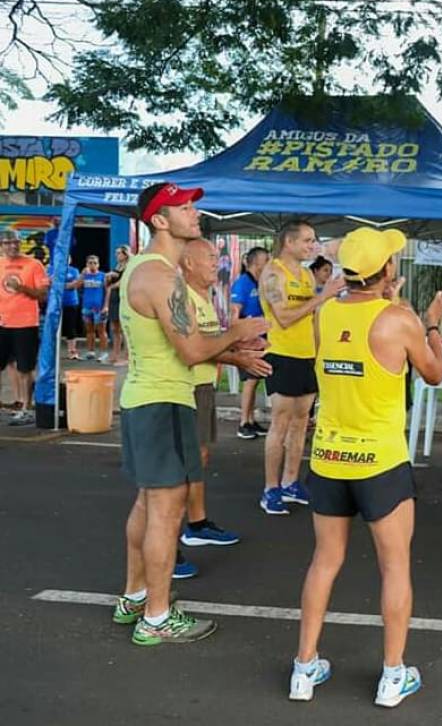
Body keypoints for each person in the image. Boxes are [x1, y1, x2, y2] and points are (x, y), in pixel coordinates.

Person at [290, 227, 442, 707]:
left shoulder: (327, 313)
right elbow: (434, 373)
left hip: (329, 457)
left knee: (324, 561)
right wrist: (431, 325)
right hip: (380, 461)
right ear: (387, 270)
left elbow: (353, 341)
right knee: (394, 566)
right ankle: (393, 674)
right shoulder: (399, 320)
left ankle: (303, 668)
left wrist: (388, 302)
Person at [112, 182, 267, 645]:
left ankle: (135, 596)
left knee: (148, 503)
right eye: (182, 207)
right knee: (165, 511)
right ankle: (157, 618)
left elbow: (185, 347)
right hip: (163, 402)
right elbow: (192, 349)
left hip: (148, 398)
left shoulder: (147, 269)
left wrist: (233, 354)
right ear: (160, 221)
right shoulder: (160, 275)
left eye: (192, 205)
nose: (194, 212)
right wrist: (237, 331)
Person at [178, 238, 270, 554]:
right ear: (189, 263)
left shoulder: (206, 296)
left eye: (217, 257)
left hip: (203, 386)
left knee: (198, 459)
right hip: (186, 388)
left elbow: (209, 341)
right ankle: (170, 542)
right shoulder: (182, 297)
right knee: (181, 468)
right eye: (210, 257)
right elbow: (192, 349)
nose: (217, 263)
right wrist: (237, 355)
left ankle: (197, 523)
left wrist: (238, 345)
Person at [258, 221, 346, 515]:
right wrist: (323, 296)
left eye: (313, 240)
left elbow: (313, 317)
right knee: (280, 423)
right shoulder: (273, 273)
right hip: (282, 355)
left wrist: (319, 354)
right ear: (289, 242)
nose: (312, 246)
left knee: (301, 423)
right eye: (307, 240)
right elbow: (283, 317)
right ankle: (270, 489)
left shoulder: (307, 275)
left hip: (307, 357)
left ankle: (291, 482)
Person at [0, 229, 50, 425]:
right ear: (1, 245)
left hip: (25, 323)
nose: (13, 246)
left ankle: (27, 408)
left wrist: (20, 287)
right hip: (2, 322)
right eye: (8, 243)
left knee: (25, 368)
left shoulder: (34, 265)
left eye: (16, 242)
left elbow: (42, 295)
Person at [231, 246, 271, 439]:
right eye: (266, 260)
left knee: (255, 381)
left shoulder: (260, 283)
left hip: (261, 339)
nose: (269, 264)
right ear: (256, 262)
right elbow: (234, 317)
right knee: (250, 381)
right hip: (247, 341)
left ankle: (251, 419)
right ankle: (243, 422)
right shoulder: (242, 284)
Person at [51, 255, 83, 360]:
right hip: (55, 303)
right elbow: (49, 283)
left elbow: (76, 284)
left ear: (70, 260)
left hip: (71, 302)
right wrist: (66, 285)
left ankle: (72, 351)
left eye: (67, 258)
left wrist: (59, 285)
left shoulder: (74, 270)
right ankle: (52, 352)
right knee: (52, 328)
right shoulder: (51, 269)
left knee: (71, 328)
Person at [80, 255, 110, 361]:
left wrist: (106, 306)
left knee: (101, 330)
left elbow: (108, 291)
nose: (92, 265)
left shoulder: (103, 276)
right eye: (90, 263)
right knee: (89, 330)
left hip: (99, 308)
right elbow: (77, 285)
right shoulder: (84, 276)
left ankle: (103, 353)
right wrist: (82, 275)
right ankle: (90, 352)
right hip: (87, 307)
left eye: (95, 263)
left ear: (98, 265)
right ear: (86, 264)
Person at [107, 245, 131, 365]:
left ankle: (127, 356)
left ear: (125, 254)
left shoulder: (129, 266)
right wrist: (108, 277)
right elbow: (109, 282)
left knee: (124, 329)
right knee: (115, 328)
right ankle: (115, 354)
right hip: (114, 298)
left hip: (122, 298)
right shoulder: (117, 266)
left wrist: (112, 286)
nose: (117, 255)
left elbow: (124, 281)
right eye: (116, 253)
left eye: (119, 253)